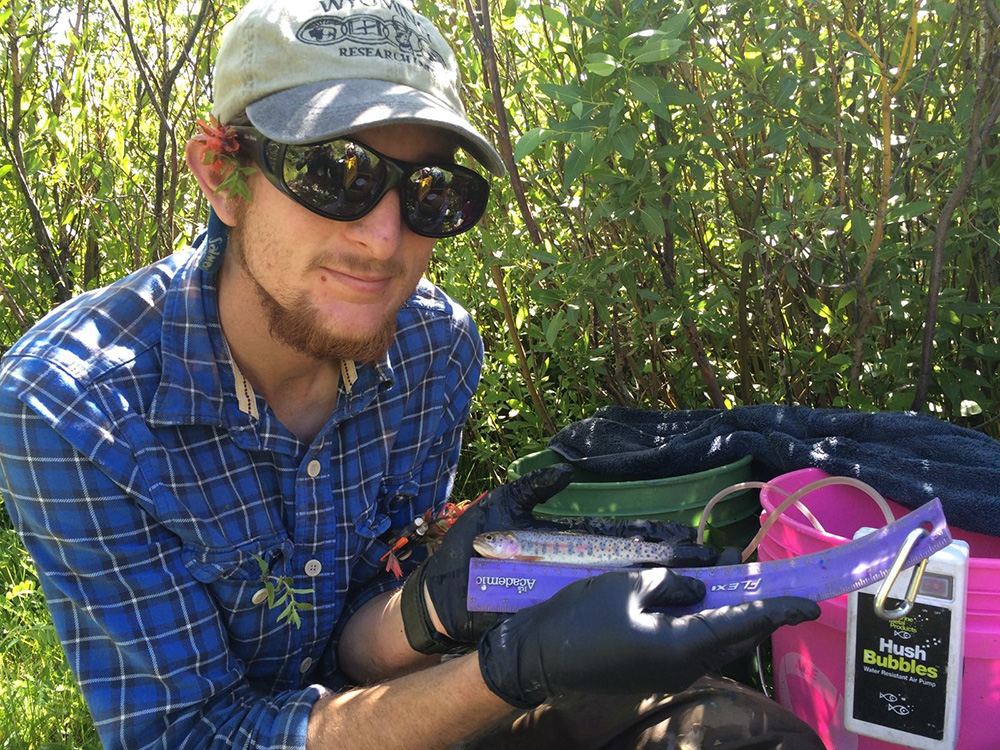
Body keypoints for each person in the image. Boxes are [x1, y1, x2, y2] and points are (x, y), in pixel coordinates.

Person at [0, 1, 824, 747]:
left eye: (432, 193)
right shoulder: (72, 408)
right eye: (336, 174)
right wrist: (509, 670)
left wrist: (451, 601)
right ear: (223, 176)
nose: (385, 239)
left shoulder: (434, 348)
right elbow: (189, 735)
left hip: (391, 705)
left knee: (734, 735)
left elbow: (359, 637)